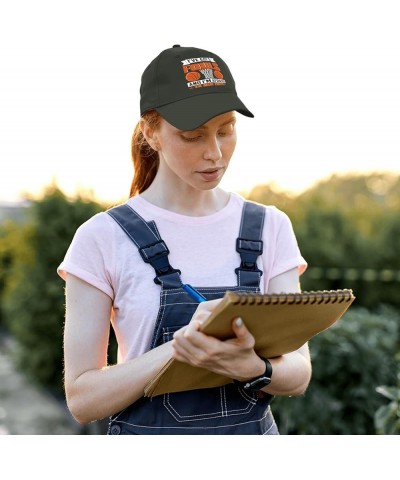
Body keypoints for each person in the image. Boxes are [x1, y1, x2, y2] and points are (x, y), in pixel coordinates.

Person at [58, 45, 311, 435]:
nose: (215, 153)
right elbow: (83, 399)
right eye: (192, 136)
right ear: (151, 132)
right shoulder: (102, 237)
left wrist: (253, 368)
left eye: (226, 130)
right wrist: (184, 348)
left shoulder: (269, 227)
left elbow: (298, 372)